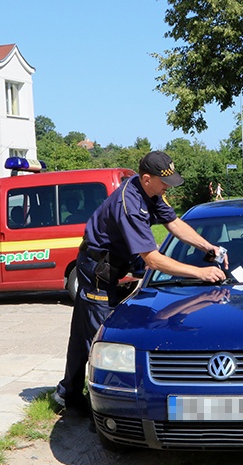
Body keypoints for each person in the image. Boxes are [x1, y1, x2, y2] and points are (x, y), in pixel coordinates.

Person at [55, 150, 228, 415]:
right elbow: (154, 261)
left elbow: (175, 223)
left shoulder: (152, 193)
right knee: (101, 339)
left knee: (81, 333)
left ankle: (67, 393)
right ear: (146, 179)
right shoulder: (131, 205)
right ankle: (104, 410)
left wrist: (210, 248)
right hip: (99, 271)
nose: (167, 187)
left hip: (111, 263)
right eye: (163, 182)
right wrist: (201, 273)